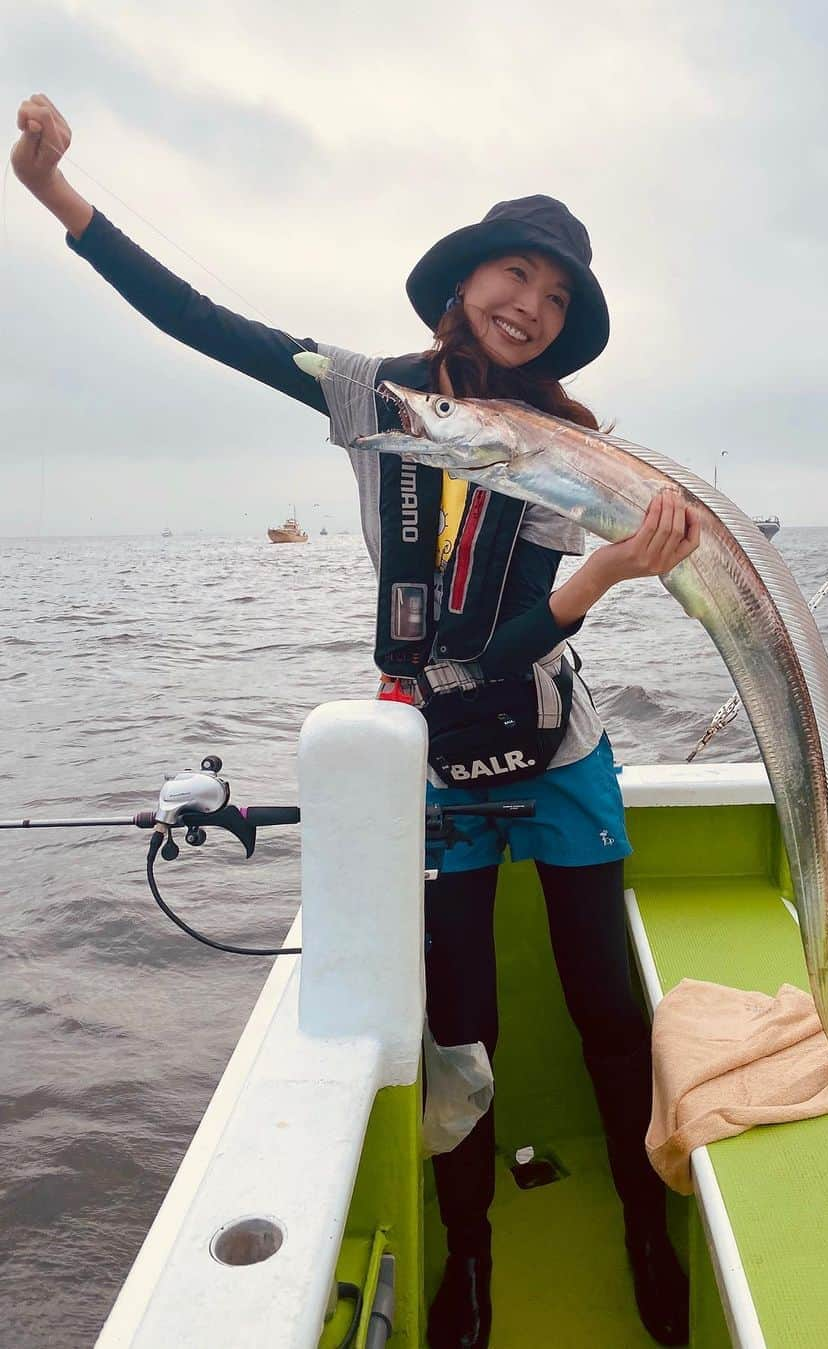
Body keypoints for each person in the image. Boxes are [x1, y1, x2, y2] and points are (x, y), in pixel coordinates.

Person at [12, 93, 700, 1349]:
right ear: (466, 279)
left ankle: (646, 1231)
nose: (530, 306)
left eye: (555, 297)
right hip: (425, 761)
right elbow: (207, 325)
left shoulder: (575, 449)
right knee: (459, 1028)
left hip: (556, 751)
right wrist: (62, 199)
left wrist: (607, 573)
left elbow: (510, 648)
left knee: (610, 1006)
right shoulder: (373, 395)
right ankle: (472, 1256)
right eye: (516, 274)